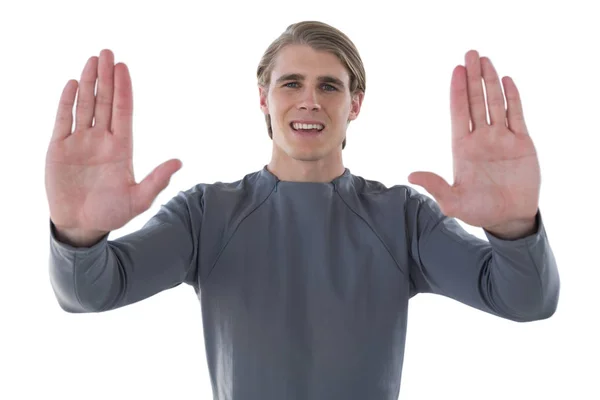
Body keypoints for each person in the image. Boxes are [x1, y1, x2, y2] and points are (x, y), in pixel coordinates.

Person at [46, 20, 560, 400]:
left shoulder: (402, 218)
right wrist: (77, 234)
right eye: (291, 83)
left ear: (355, 104)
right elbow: (91, 291)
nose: (309, 100)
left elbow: (526, 299)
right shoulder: (205, 215)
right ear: (264, 99)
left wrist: (513, 226)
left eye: (329, 86)